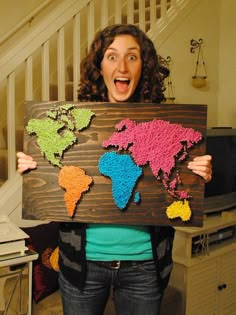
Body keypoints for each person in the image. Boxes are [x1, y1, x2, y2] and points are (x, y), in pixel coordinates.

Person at [17, 24, 212, 315]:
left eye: (132, 57)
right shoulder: (72, 125)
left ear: (142, 67)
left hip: (145, 267)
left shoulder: (164, 127)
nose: (122, 65)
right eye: (112, 56)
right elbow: (53, 190)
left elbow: (175, 194)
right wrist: (34, 170)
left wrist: (196, 174)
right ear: (100, 67)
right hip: (81, 265)